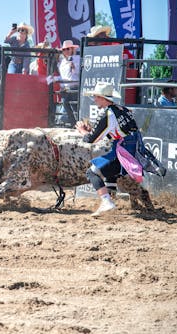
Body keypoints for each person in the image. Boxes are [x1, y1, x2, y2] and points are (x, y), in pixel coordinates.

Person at [75, 82, 139, 217]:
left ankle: (107, 202)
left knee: (92, 172)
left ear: (103, 98)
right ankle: (111, 200)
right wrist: (91, 132)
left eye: (96, 97)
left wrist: (82, 131)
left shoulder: (107, 115)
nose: (94, 99)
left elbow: (91, 140)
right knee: (110, 173)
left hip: (123, 151)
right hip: (131, 148)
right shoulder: (123, 109)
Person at [57, 40, 80, 126]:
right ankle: (74, 124)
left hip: (74, 86)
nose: (66, 51)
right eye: (64, 49)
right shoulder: (62, 62)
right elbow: (63, 76)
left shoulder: (77, 59)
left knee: (74, 107)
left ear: (72, 49)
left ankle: (77, 124)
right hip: (66, 87)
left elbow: (80, 73)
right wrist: (60, 84)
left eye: (68, 49)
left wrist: (74, 68)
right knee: (66, 105)